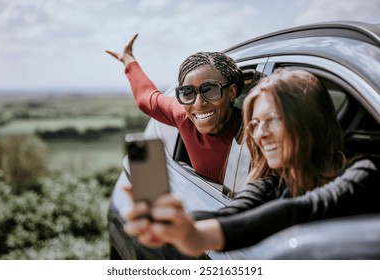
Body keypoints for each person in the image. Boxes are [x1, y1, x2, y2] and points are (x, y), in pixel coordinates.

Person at [123, 68, 380, 256]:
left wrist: (201, 236)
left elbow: (301, 210)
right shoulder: (273, 183)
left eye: (272, 120)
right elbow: (234, 212)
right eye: (254, 124)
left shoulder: (365, 173)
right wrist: (177, 225)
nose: (259, 134)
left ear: (308, 119)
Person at [106, 34, 244, 184]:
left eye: (210, 90)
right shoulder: (184, 117)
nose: (198, 104)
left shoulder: (257, 129)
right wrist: (128, 59)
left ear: (231, 92)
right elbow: (147, 99)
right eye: (188, 92)